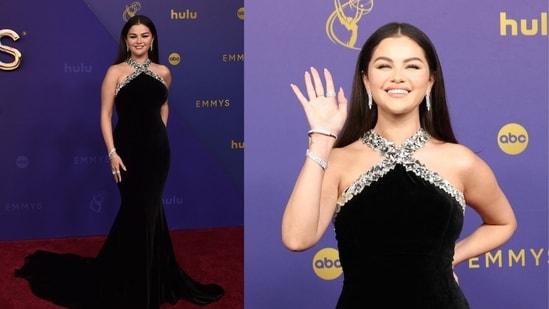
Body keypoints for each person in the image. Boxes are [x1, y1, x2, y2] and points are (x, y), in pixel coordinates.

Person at [282, 22, 517, 308]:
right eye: (383, 66)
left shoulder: (461, 160)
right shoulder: (339, 160)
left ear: (430, 80)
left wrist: (447, 258)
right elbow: (297, 239)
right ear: (366, 80)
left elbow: (503, 222)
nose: (397, 77)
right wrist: (321, 136)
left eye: (412, 66)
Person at [15, 15, 224, 308]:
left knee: (151, 211)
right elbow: (104, 115)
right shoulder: (115, 71)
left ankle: (151, 278)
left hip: (157, 152)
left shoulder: (164, 72)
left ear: (153, 39)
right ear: (126, 40)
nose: (139, 41)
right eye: (133, 36)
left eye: (144, 35)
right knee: (136, 211)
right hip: (126, 150)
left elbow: (163, 107)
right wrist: (113, 152)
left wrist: (158, 135)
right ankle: (131, 280)